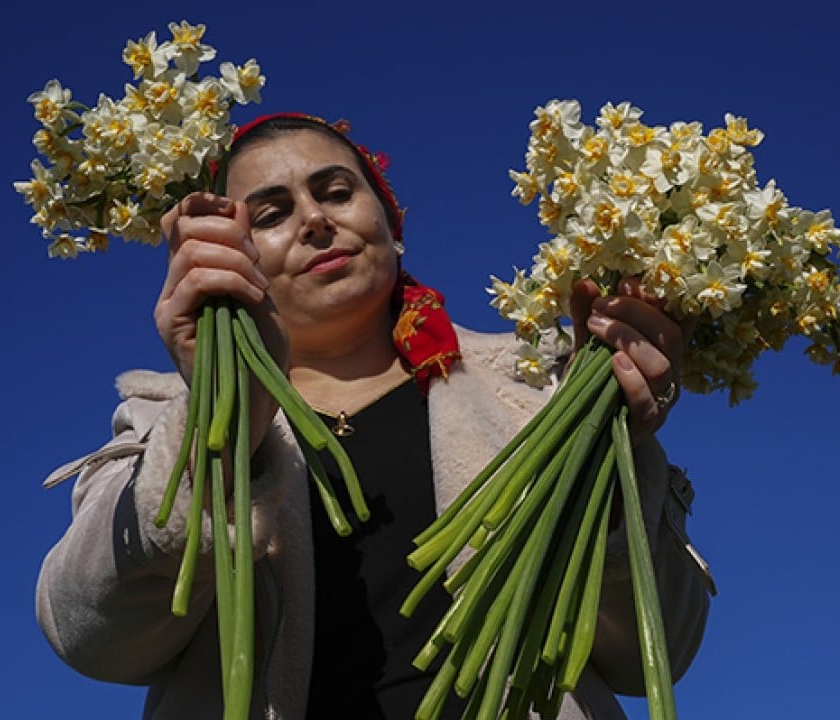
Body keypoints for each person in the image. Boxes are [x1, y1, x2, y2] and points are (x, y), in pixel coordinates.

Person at [36, 113, 715, 719]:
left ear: (391, 222)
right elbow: (91, 639)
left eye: (336, 191)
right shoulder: (166, 420)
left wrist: (606, 449)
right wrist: (224, 417)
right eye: (270, 214)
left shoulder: (541, 390)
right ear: (225, 257)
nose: (314, 219)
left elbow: (654, 651)